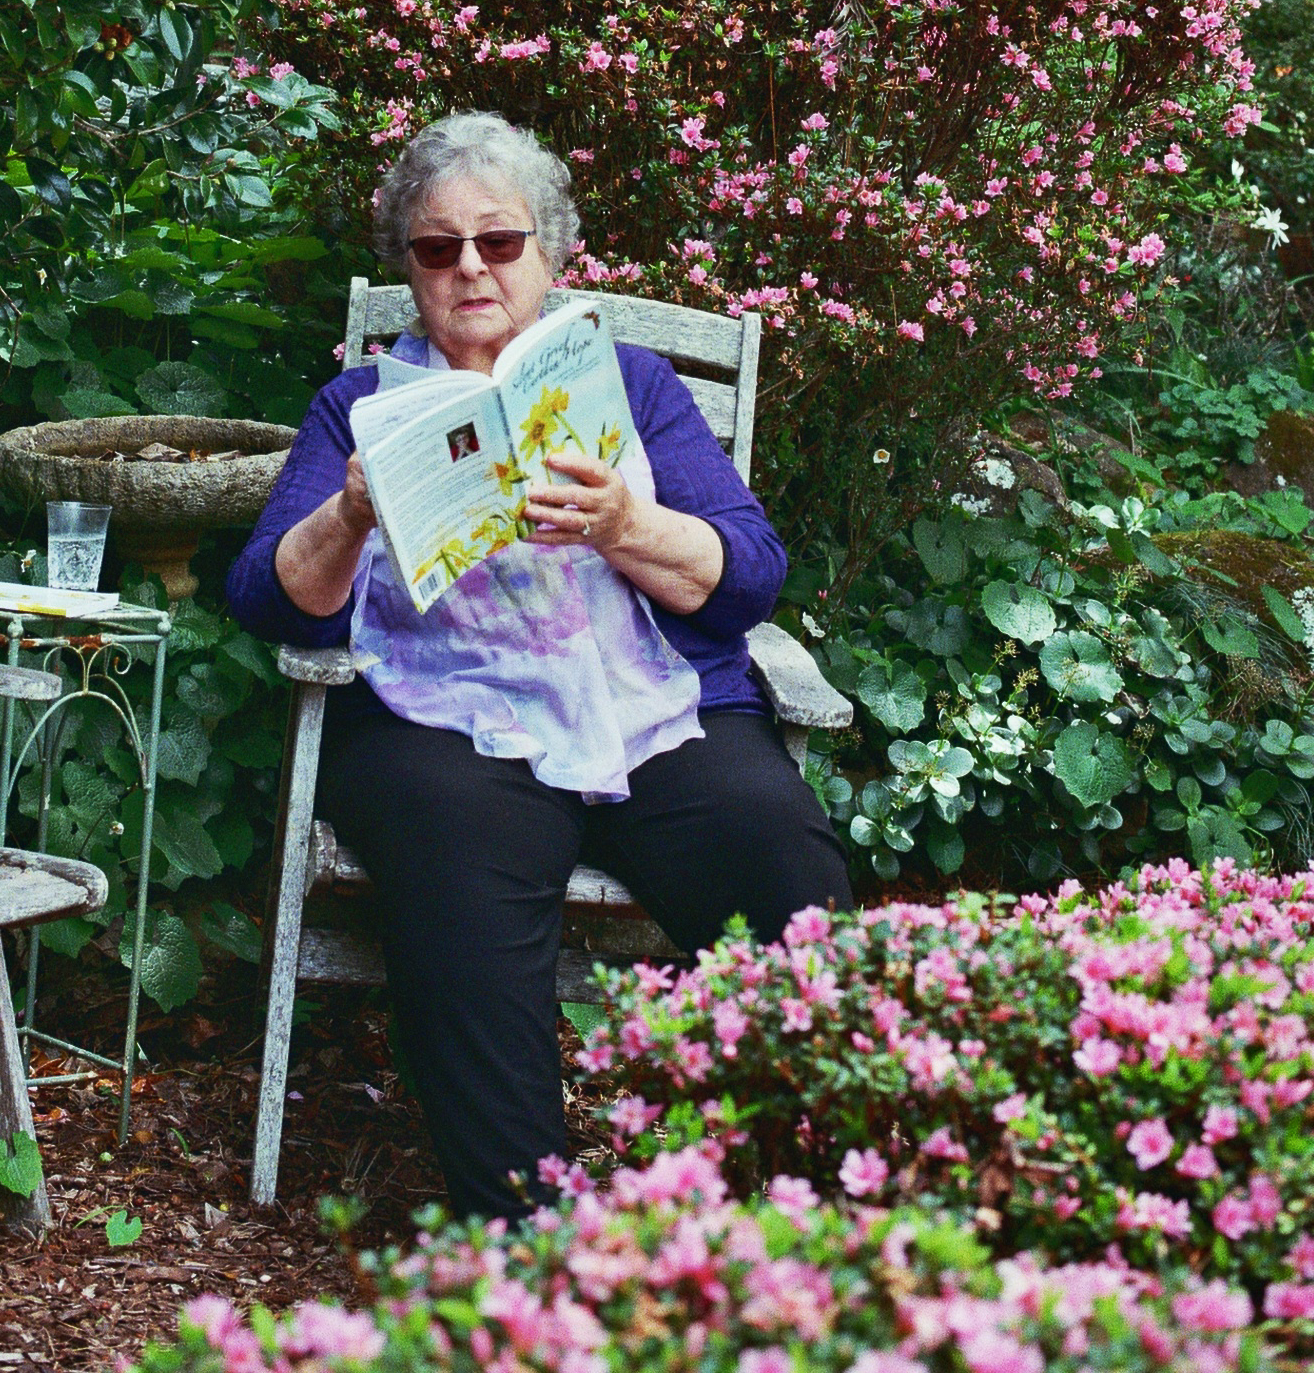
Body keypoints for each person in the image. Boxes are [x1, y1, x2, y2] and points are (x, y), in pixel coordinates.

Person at [226, 111, 851, 1221]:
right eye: (436, 247)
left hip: (650, 706)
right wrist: (355, 508)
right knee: (457, 870)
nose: (470, 266)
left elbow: (750, 576)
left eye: (499, 241)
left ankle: (816, 1200)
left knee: (777, 855)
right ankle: (525, 1242)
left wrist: (624, 523)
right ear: (408, 269)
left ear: (551, 255)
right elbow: (270, 602)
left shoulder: (639, 389)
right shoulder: (358, 406)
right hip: (441, 719)